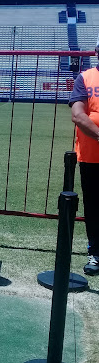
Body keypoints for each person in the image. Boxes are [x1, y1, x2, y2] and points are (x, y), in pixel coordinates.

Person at [69, 36, 99, 275]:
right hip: (91, 158)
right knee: (94, 207)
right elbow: (78, 115)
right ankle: (96, 253)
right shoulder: (85, 78)